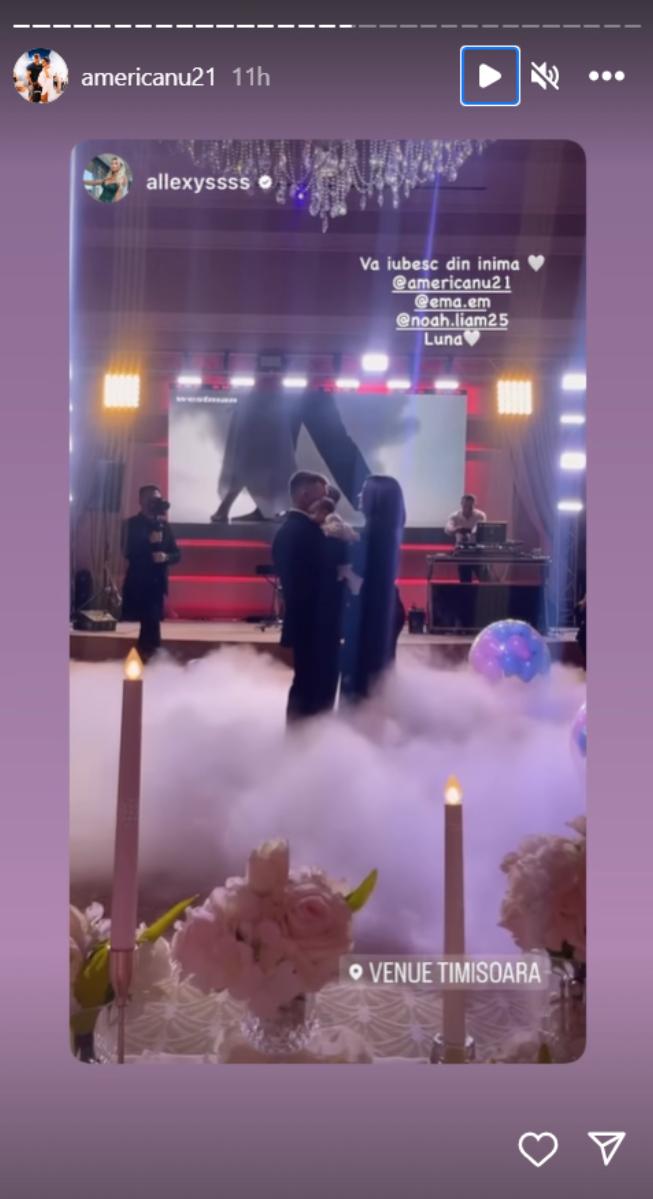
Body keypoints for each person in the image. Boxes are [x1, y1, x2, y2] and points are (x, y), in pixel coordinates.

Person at [272, 471, 343, 722]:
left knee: (315, 685)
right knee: (313, 687)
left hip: (316, 623)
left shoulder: (304, 528)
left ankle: (308, 737)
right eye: (322, 496)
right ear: (304, 495)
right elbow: (313, 579)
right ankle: (305, 739)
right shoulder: (299, 531)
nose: (328, 501)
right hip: (314, 623)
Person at [340, 475, 406, 704]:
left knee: (365, 677)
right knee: (378, 676)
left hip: (375, 610)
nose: (359, 495)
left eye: (365, 490)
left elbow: (364, 578)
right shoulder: (385, 530)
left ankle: (361, 722)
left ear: (378, 498)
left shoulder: (376, 534)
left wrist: (342, 567)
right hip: (383, 606)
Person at [121, 485, 181, 660]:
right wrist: (148, 543)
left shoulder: (164, 526)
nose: (155, 503)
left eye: (157, 499)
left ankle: (147, 659)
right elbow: (127, 552)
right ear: (141, 501)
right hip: (139, 583)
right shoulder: (131, 525)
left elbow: (177, 554)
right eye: (151, 499)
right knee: (149, 623)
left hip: (158, 584)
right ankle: (151, 659)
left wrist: (165, 557)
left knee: (151, 625)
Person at [445, 493, 488, 583]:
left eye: (470, 506)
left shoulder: (480, 515)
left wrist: (471, 532)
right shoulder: (454, 516)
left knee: (485, 580)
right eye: (465, 506)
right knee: (465, 581)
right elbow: (448, 529)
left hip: (477, 551)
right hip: (462, 552)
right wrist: (456, 529)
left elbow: (481, 531)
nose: (467, 508)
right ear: (461, 504)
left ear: (474, 505)